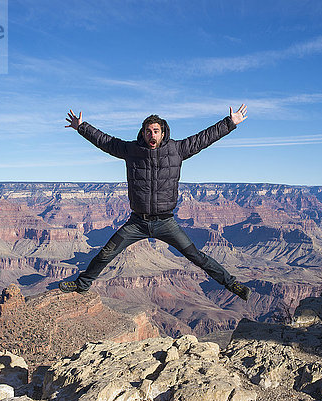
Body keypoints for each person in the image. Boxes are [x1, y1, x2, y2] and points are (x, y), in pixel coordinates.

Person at [59, 105, 251, 301]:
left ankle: (231, 283)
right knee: (106, 253)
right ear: (143, 133)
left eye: (156, 131)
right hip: (137, 222)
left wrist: (229, 123)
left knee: (197, 257)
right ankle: (82, 284)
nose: (152, 135)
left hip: (166, 222)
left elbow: (204, 138)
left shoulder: (177, 149)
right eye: (148, 131)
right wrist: (81, 127)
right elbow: (105, 141)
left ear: (163, 133)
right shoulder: (131, 150)